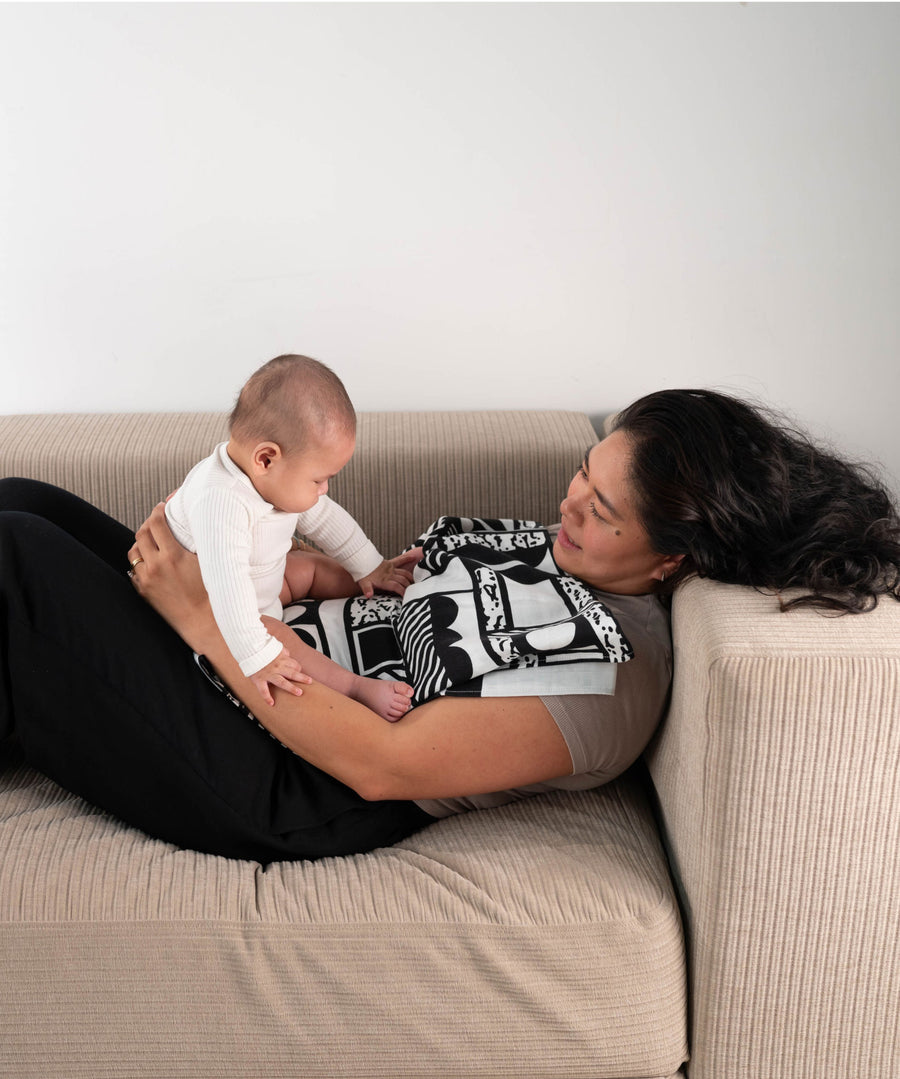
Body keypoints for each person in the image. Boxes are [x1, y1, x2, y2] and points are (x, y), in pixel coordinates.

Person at [1, 389, 897, 864]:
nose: (567, 505)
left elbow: (378, 762)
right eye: (585, 474)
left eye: (602, 510)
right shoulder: (569, 552)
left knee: (18, 562)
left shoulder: (611, 679)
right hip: (272, 651)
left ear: (670, 560)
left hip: (285, 770)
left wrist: (199, 615)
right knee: (25, 503)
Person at [164, 354, 419, 718]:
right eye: (318, 479)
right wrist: (256, 656)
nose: (324, 489)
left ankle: (377, 586)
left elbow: (326, 520)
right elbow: (227, 588)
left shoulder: (271, 478)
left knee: (307, 566)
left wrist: (371, 566)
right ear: (266, 458)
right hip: (227, 617)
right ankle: (353, 686)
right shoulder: (219, 500)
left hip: (267, 586)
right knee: (276, 636)